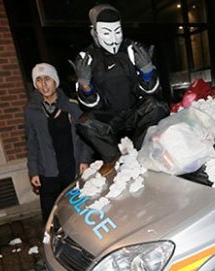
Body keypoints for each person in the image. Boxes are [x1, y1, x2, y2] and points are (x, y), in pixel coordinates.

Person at [70, 4, 168, 165]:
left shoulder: (133, 49)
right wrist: (86, 88)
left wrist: (147, 73)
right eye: (107, 33)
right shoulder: (86, 57)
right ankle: (116, 162)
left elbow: (149, 92)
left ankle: (140, 156)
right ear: (94, 32)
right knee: (85, 123)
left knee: (158, 106)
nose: (114, 39)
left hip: (134, 110)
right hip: (109, 116)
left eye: (117, 31)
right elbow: (92, 106)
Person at [24, 63, 93, 225]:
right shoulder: (31, 110)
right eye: (39, 80)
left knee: (77, 215)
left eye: (47, 79)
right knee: (51, 217)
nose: (44, 84)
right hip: (47, 172)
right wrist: (33, 171)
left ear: (55, 81)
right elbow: (31, 142)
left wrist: (84, 160)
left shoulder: (72, 106)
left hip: (71, 168)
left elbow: (86, 136)